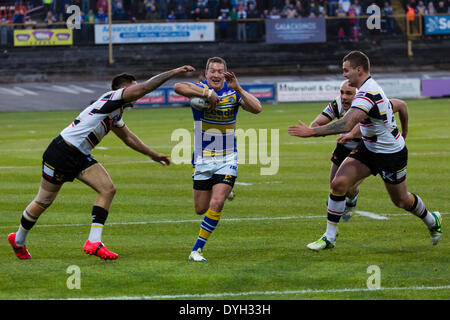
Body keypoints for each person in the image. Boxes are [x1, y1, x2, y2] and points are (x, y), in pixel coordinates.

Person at [8, 65, 195, 260]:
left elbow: (128, 138)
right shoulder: (113, 98)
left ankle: (94, 242)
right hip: (62, 151)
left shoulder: (116, 111)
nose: (137, 92)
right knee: (43, 201)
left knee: (107, 189)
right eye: (133, 87)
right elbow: (146, 87)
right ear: (123, 89)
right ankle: (18, 240)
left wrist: (153, 154)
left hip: (78, 155)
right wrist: (173, 73)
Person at [288, 51, 442, 251]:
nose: (344, 75)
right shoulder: (366, 90)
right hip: (369, 149)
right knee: (338, 184)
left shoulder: (368, 93)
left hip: (391, 155)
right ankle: (329, 238)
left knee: (401, 200)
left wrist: (312, 132)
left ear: (358, 70)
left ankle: (432, 220)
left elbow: (346, 123)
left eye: (346, 70)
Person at [174, 57, 262, 262]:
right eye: (212, 71)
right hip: (203, 157)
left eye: (220, 71)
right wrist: (207, 93)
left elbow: (257, 108)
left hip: (227, 156)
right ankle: (225, 188)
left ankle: (197, 249)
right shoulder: (200, 88)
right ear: (206, 73)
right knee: (200, 209)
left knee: (218, 202)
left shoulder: (233, 92)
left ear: (225, 73)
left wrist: (239, 88)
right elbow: (179, 86)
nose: (215, 75)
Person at [310, 80, 409, 221]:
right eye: (342, 92)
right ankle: (347, 203)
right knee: (334, 186)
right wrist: (313, 130)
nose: (344, 97)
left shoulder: (371, 101)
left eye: (349, 93)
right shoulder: (337, 104)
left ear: (358, 94)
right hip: (344, 147)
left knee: (347, 188)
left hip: (364, 148)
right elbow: (316, 123)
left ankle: (350, 200)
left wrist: (404, 132)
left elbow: (402, 105)